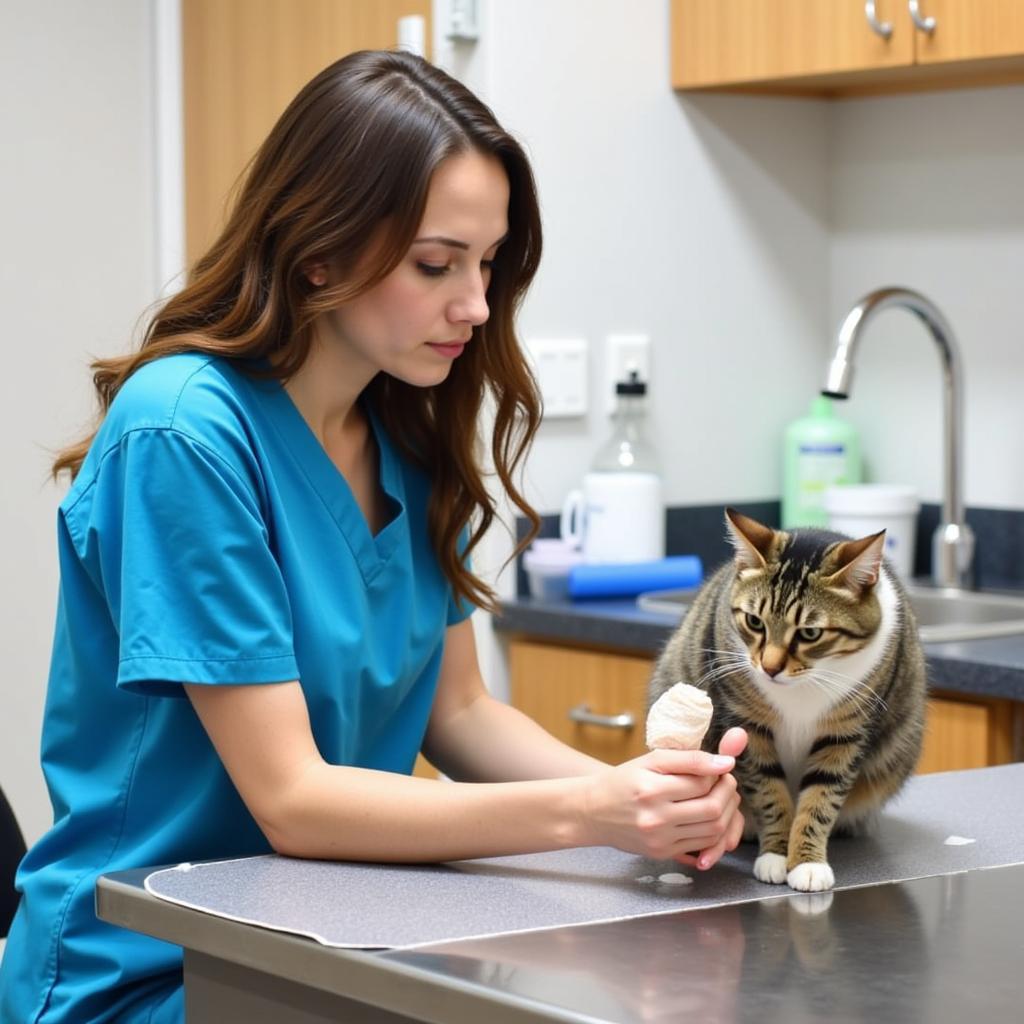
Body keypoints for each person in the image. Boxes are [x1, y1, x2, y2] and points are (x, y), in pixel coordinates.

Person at [0, 49, 747, 1023]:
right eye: (436, 265)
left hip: (334, 940)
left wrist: (649, 798)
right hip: (149, 973)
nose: (476, 305)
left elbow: (461, 715)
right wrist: (592, 816)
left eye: (487, 263)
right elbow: (294, 799)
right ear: (319, 250)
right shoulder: (183, 430)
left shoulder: (406, 429)